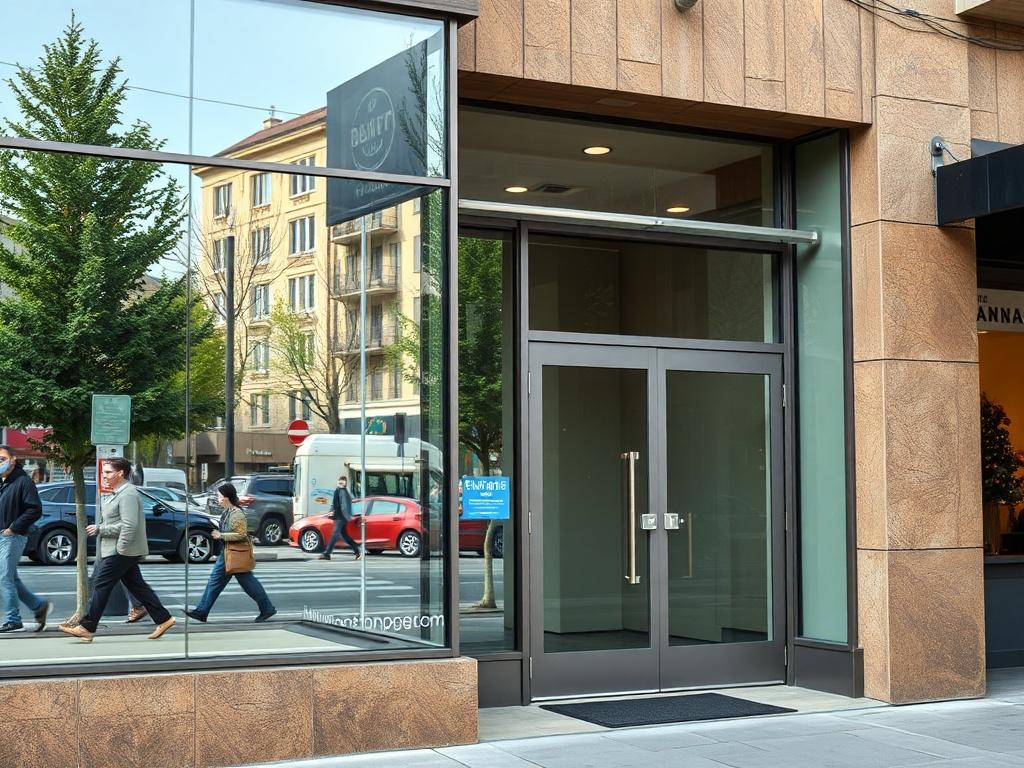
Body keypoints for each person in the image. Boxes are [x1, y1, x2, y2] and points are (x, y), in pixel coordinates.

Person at [60, 458, 175, 642]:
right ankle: (164, 619)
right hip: (117, 549)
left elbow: (129, 525)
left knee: (101, 584)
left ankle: (87, 627)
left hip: (121, 549)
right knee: (137, 586)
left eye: (108, 472)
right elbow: (117, 521)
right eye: (104, 472)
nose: (104, 476)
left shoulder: (128, 493)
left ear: (121, 473)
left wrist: (105, 534)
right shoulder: (118, 492)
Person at [185, 483, 276, 623]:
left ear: (227, 497)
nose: (218, 498)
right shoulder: (228, 512)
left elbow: (241, 534)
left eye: (220, 496)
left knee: (219, 582)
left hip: (234, 553)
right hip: (229, 552)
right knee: (238, 583)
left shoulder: (237, 514)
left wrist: (221, 535)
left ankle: (202, 612)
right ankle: (266, 608)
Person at [0, 445, 51, 633]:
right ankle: (38, 606)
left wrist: (13, 528)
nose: (0, 463)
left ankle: (13, 619)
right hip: (3, 536)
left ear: (13, 459)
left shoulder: (23, 482)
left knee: (4, 578)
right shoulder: (3, 482)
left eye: (2, 459)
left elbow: (34, 509)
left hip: (12, 537)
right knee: (11, 578)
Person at [320, 476, 359, 561]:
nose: (341, 483)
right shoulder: (338, 490)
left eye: (343, 482)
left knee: (335, 534)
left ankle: (327, 553)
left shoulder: (342, 491)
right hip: (339, 516)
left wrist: (346, 517)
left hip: (341, 517)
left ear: (345, 483)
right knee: (344, 535)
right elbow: (334, 503)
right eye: (340, 481)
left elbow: (344, 505)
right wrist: (330, 511)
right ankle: (357, 551)